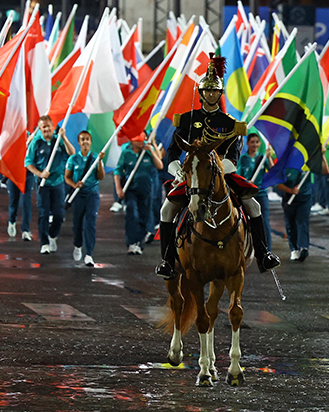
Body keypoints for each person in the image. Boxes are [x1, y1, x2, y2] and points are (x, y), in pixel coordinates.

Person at [155, 56, 280, 279]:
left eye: (214, 92)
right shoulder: (186, 120)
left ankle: (264, 254)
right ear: (201, 94)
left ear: (219, 94)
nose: (210, 95)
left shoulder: (230, 123)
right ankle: (167, 260)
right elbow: (173, 152)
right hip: (192, 174)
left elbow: (234, 156)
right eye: (207, 91)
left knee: (254, 206)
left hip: (222, 173)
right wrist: (178, 171)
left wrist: (217, 170)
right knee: (166, 210)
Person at [27, 116, 74, 254]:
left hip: (58, 182)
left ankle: (53, 235)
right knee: (43, 213)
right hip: (43, 184)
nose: (47, 129)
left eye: (48, 126)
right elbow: (28, 163)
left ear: (52, 126)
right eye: (43, 127)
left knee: (59, 214)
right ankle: (44, 243)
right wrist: (40, 174)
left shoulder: (58, 140)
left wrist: (64, 137)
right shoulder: (36, 142)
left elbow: (72, 153)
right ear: (40, 129)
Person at [113, 133, 163, 254]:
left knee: (144, 217)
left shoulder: (147, 151)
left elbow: (160, 165)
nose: (141, 142)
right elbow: (118, 171)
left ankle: (139, 243)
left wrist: (151, 150)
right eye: (138, 140)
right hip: (131, 190)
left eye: (142, 140)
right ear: (131, 141)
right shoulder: (126, 153)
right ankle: (131, 242)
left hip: (146, 190)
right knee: (132, 215)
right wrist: (118, 188)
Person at [277, 154, 329, 262]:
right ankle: (294, 249)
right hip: (289, 199)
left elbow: (325, 171)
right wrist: (290, 190)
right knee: (290, 224)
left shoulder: (308, 164)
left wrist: (322, 155)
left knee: (302, 222)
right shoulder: (285, 164)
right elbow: (277, 183)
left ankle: (303, 247)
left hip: (305, 198)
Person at [65, 130, 105, 266]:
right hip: (78, 196)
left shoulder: (95, 159)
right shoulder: (73, 159)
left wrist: (99, 162)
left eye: (87, 139)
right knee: (77, 223)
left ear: (91, 141)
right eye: (82, 139)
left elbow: (101, 177)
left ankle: (89, 254)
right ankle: (77, 245)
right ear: (79, 142)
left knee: (90, 222)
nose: (85, 142)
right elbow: (67, 177)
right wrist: (75, 185)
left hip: (92, 194)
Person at [236, 133, 272, 250]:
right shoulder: (243, 158)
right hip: (247, 195)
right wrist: (247, 182)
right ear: (247, 143)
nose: (255, 144)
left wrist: (269, 157)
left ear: (260, 144)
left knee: (264, 222)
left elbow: (272, 171)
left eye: (257, 142)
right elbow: (238, 176)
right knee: (244, 221)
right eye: (252, 142)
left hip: (261, 193)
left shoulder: (262, 157)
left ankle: (267, 250)